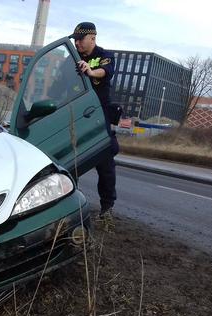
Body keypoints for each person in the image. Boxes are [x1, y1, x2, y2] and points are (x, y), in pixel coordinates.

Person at [69, 22, 119, 226]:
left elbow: (105, 72)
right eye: (75, 40)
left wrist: (90, 70)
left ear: (92, 38)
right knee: (70, 162)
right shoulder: (72, 57)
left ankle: (107, 208)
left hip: (99, 115)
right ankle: (70, 208)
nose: (77, 43)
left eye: (80, 39)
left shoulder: (105, 55)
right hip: (75, 116)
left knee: (105, 162)